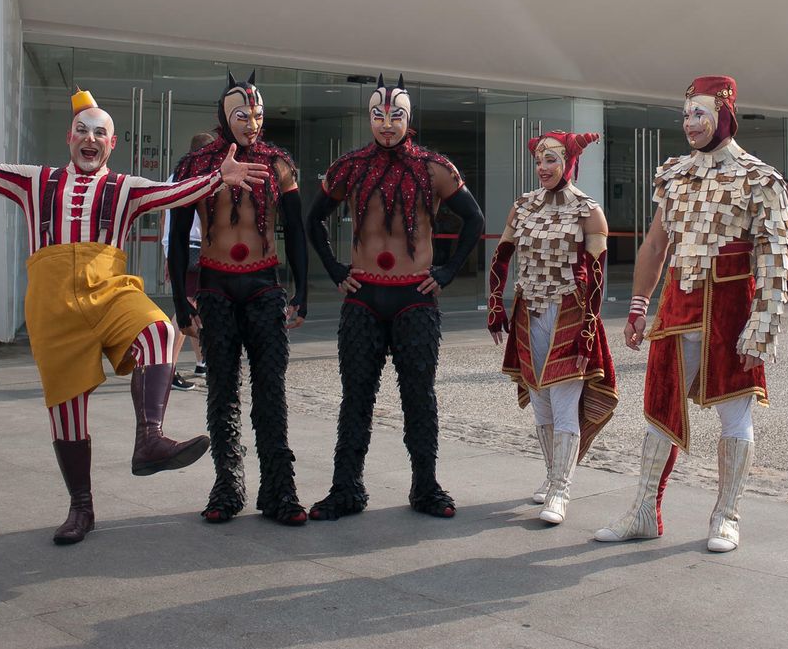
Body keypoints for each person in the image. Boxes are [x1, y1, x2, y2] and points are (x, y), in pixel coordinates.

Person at [0, 88, 273, 545]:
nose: (90, 139)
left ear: (112, 144)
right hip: (53, 306)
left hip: (110, 292)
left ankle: (150, 439)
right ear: (69, 138)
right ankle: (80, 508)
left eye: (99, 133)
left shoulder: (126, 188)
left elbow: (172, 192)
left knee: (160, 333)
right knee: (66, 412)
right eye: (82, 131)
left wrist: (215, 180)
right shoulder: (34, 181)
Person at [593, 75, 788, 553]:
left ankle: (727, 516)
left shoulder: (759, 178)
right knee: (659, 410)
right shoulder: (674, 175)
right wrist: (639, 305)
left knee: (735, 415)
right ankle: (644, 510)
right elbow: (656, 246)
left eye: (699, 114)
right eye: (685, 115)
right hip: (679, 306)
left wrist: (762, 326)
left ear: (724, 114)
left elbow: (773, 259)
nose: (690, 124)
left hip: (731, 310)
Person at [306, 74, 485, 520]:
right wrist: (334, 271)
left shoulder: (434, 168)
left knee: (419, 396)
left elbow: (474, 220)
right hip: (363, 297)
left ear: (409, 118)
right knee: (356, 397)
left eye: (397, 116)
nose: (387, 124)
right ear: (370, 118)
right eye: (379, 116)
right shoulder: (349, 167)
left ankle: (425, 486)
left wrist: (444, 272)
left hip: (414, 298)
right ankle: (346, 488)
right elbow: (313, 220)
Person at [168, 73, 310, 526]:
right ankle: (228, 485)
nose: (251, 123)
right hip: (215, 287)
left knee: (272, 390)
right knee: (223, 391)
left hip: (263, 286)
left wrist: (302, 291)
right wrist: (179, 300)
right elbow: (175, 237)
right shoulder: (196, 165)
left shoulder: (278, 163)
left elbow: (296, 231)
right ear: (224, 118)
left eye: (257, 115)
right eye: (242, 116)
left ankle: (279, 488)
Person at [487, 131, 618, 526]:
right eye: (540, 161)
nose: (544, 168)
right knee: (540, 403)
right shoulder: (522, 207)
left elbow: (596, 275)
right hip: (529, 312)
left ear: (569, 163)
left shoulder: (588, 211)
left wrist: (590, 328)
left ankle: (561, 489)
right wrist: (496, 303)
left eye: (552, 160)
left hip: (570, 313)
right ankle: (552, 475)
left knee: (563, 403)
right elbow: (501, 257)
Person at [162, 131, 215, 391]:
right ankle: (168, 369)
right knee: (186, 306)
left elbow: (166, 220)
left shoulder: (174, 176)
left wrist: (167, 253)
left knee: (196, 305)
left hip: (177, 248)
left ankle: (202, 361)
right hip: (195, 248)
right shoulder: (200, 177)